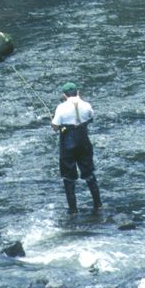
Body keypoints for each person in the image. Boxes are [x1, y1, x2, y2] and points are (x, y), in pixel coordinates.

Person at [51, 81, 102, 214]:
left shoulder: (61, 108)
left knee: (68, 176)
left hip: (68, 141)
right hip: (84, 140)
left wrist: (54, 123)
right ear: (77, 92)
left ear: (64, 95)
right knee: (89, 172)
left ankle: (73, 210)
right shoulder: (86, 105)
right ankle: (98, 205)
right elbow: (91, 117)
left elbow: (55, 127)